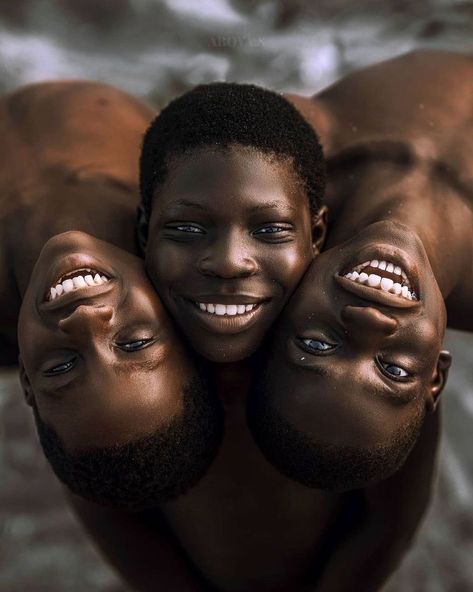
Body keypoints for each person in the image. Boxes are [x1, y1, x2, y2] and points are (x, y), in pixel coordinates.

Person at [247, 50, 473, 588]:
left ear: (278, 314)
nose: (370, 324)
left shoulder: (279, 168)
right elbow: (391, 525)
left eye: (317, 347)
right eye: (393, 371)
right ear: (433, 375)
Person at [0, 80, 223, 511]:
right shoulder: (182, 213)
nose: (85, 322)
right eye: (134, 343)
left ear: (27, 376)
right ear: (183, 323)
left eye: (63, 365)